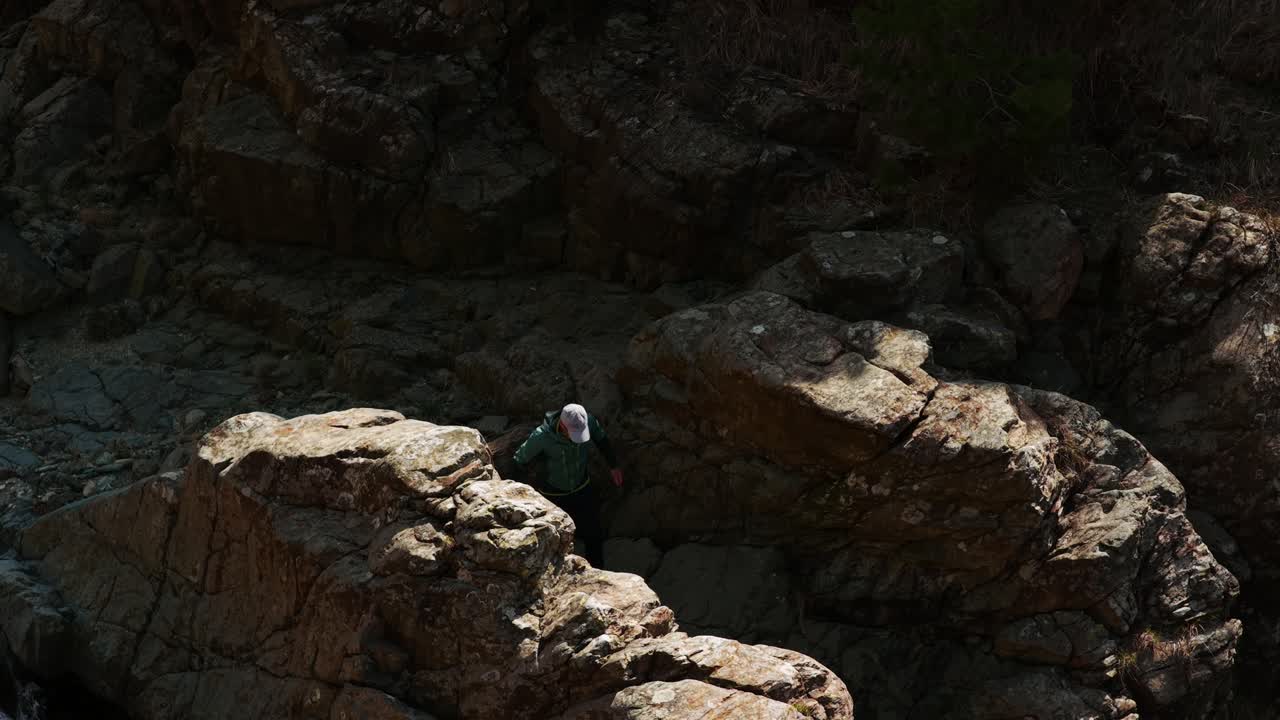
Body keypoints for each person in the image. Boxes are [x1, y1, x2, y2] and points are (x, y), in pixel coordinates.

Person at [512, 403, 623, 566]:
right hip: (553, 496)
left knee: (594, 534)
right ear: (562, 425)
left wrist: (613, 465)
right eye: (574, 433)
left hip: (581, 487)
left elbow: (601, 439)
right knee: (554, 541)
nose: (578, 437)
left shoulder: (588, 421)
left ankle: (598, 572)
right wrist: (521, 496)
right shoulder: (541, 437)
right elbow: (519, 460)